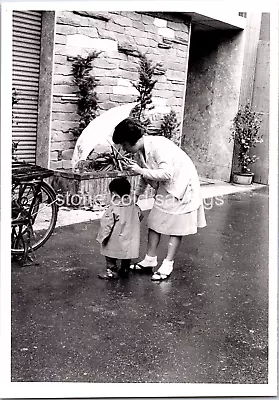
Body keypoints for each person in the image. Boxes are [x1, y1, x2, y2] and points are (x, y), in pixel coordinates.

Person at [112, 117, 206, 281]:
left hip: (181, 185)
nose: (124, 149)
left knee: (177, 226)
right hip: (166, 186)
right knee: (155, 221)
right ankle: (150, 259)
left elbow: (166, 173)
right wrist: (135, 196)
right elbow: (145, 175)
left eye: (125, 144)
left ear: (132, 140)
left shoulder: (158, 146)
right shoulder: (140, 151)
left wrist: (140, 171)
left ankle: (168, 263)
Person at [96, 176, 143, 280]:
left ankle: (111, 271)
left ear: (114, 194)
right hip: (129, 240)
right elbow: (140, 216)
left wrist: (101, 237)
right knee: (126, 256)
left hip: (115, 240)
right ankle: (125, 268)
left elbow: (106, 225)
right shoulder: (134, 206)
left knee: (110, 256)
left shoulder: (113, 209)